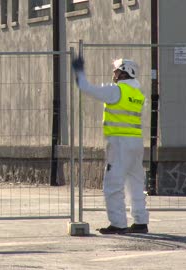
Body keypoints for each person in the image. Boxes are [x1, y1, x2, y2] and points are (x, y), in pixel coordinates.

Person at [72, 57, 149, 234]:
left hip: (119, 144)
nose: (113, 73)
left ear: (124, 71)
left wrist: (79, 71)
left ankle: (118, 224)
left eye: (116, 70)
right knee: (135, 184)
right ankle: (141, 222)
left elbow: (86, 88)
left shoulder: (117, 91)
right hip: (136, 143)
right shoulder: (138, 93)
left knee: (113, 185)